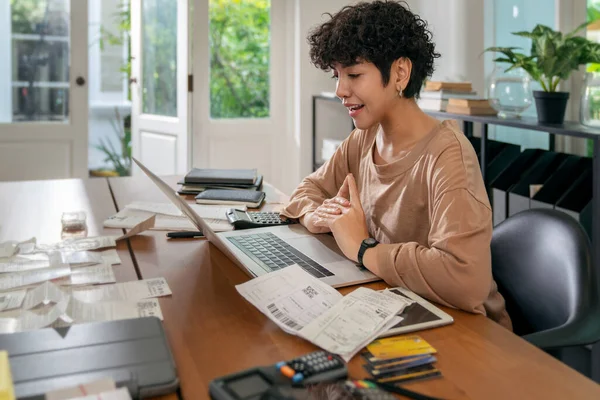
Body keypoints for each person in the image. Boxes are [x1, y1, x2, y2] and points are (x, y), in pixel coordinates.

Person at [280, 0, 511, 329]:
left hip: (466, 331)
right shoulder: (365, 138)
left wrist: (363, 249)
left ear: (400, 72)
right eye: (337, 75)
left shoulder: (447, 155)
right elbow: (308, 189)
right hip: (395, 304)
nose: (340, 90)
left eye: (354, 74)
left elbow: (465, 279)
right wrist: (314, 215)